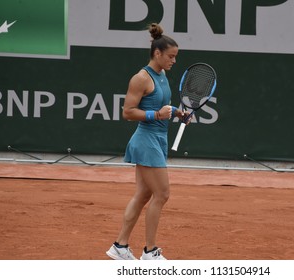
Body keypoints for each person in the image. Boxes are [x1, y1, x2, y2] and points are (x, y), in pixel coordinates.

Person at [106, 23, 185, 260]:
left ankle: (120, 246)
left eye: (175, 57)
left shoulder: (162, 76)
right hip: (146, 140)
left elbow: (162, 107)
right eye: (170, 57)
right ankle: (150, 251)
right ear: (157, 53)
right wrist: (156, 115)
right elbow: (128, 112)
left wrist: (178, 113)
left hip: (159, 139)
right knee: (162, 194)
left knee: (142, 195)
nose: (173, 61)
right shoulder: (141, 78)